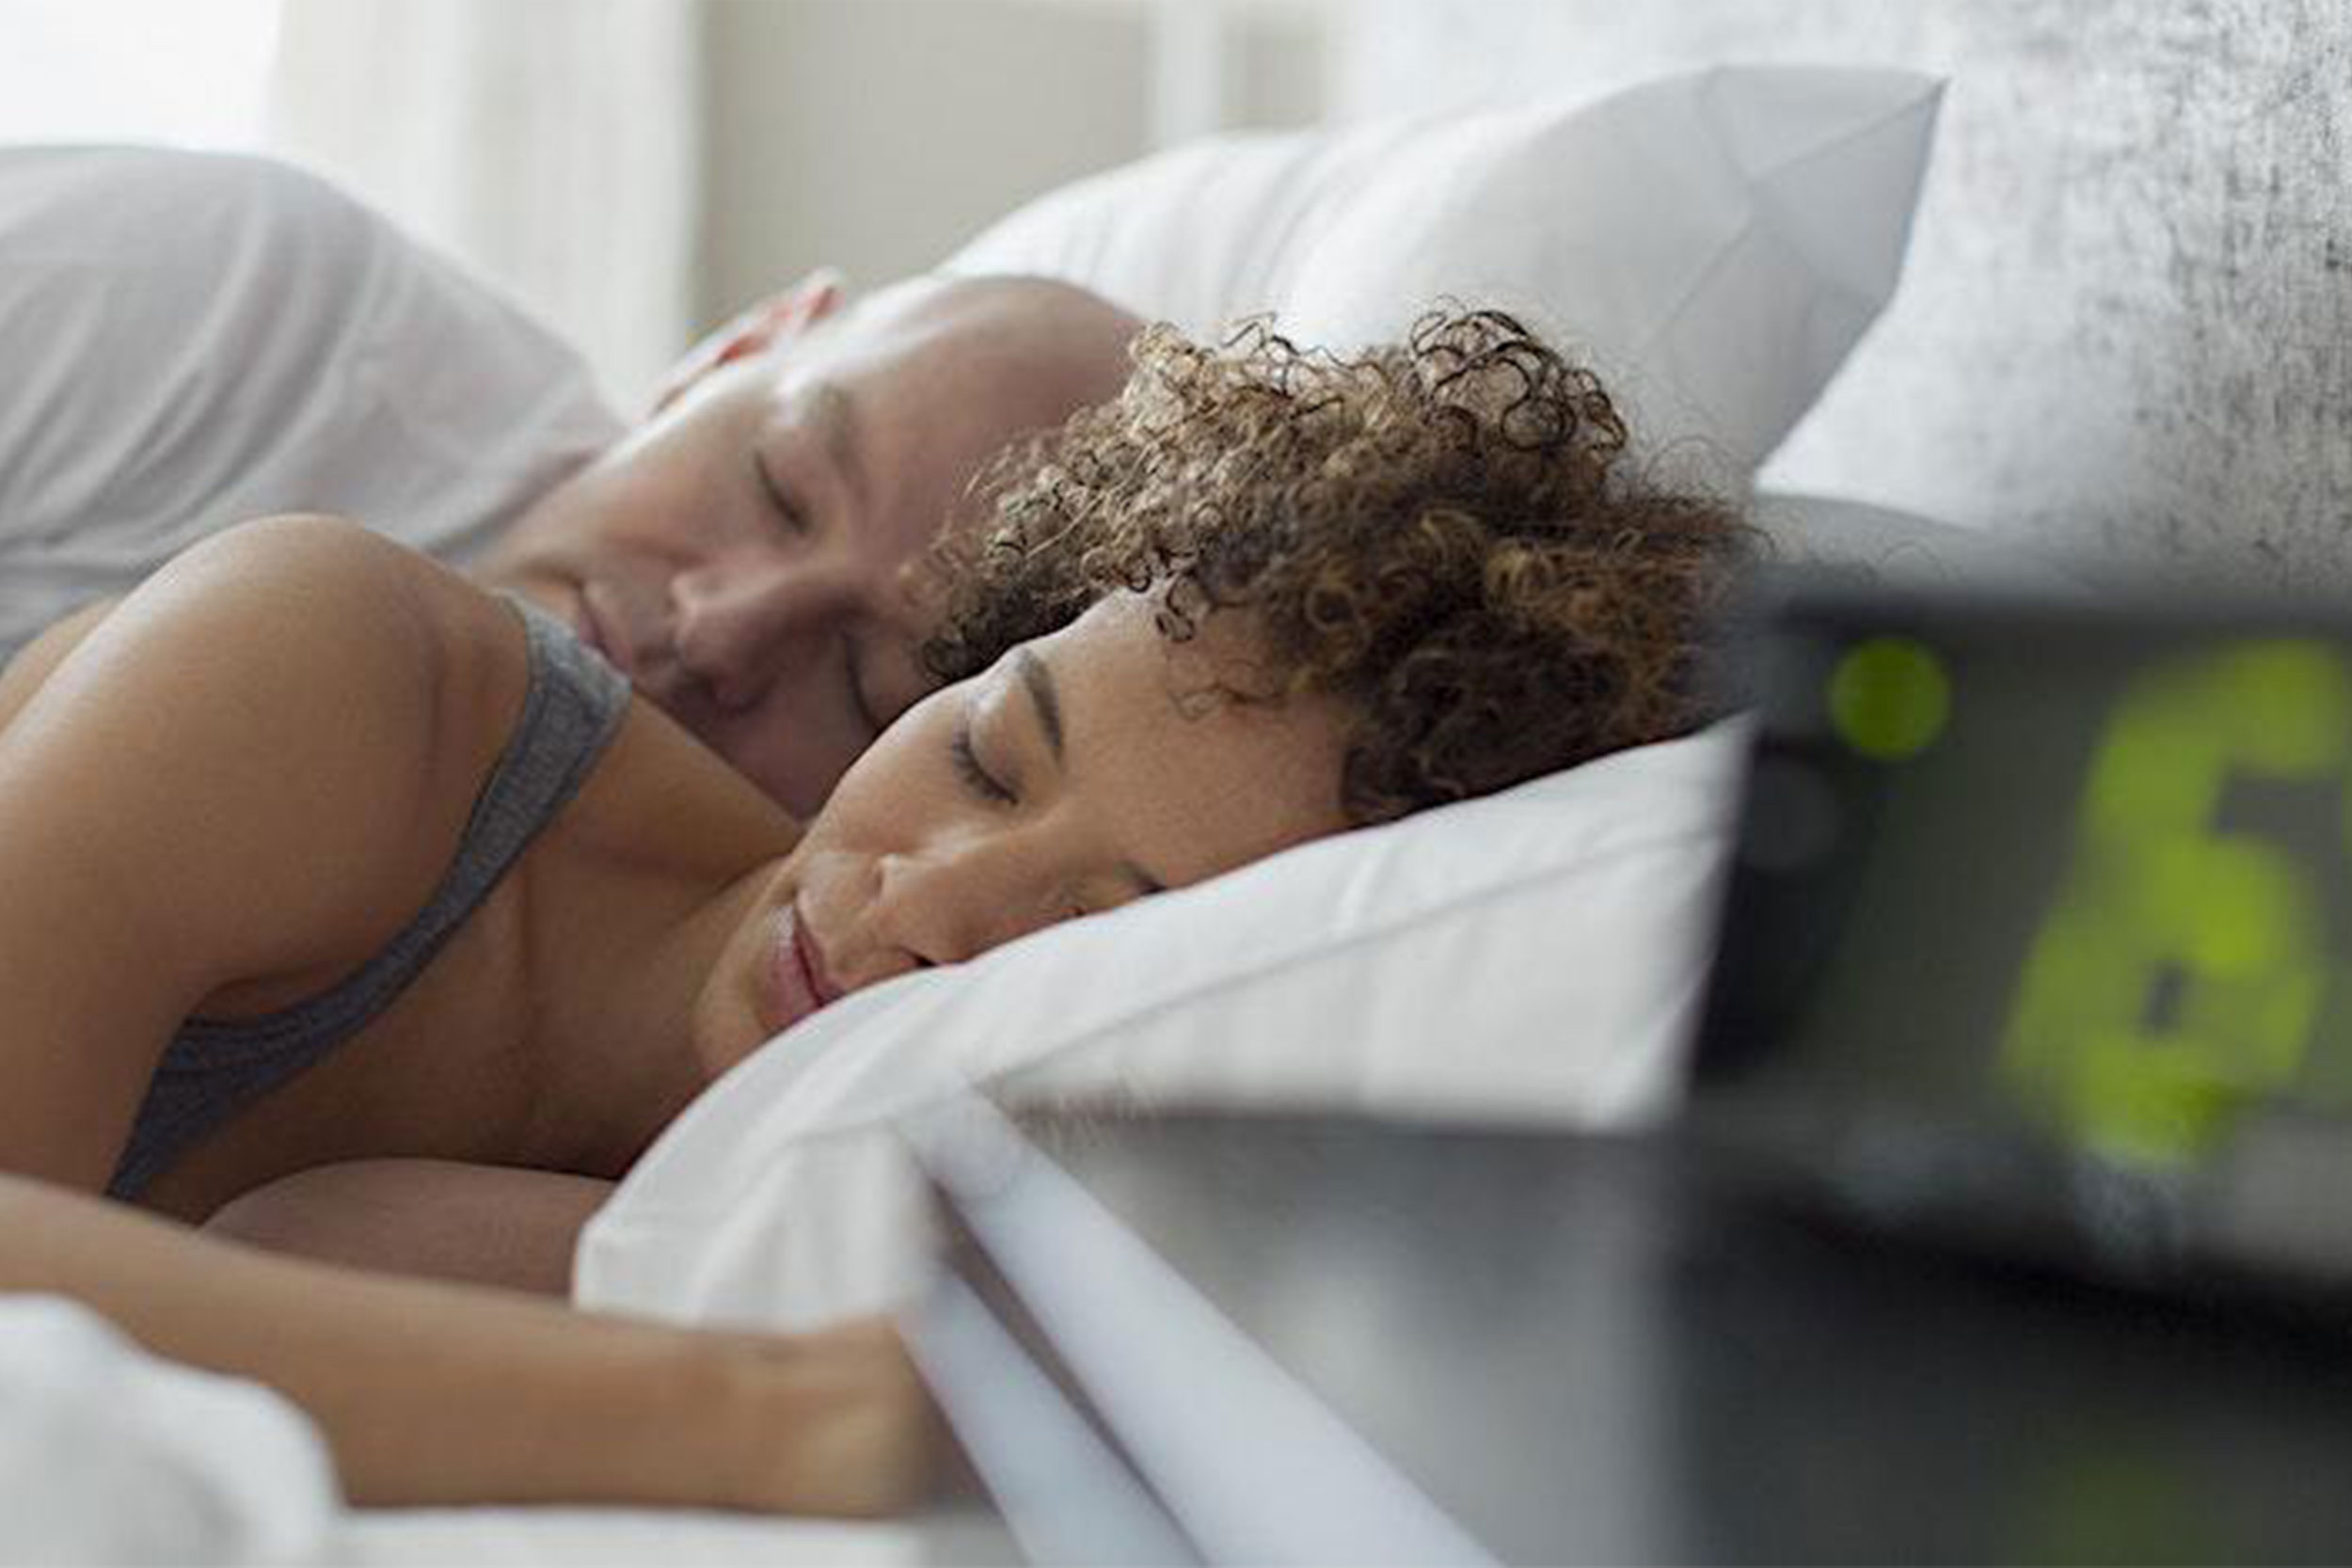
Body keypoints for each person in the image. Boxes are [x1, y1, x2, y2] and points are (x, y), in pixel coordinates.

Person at [0, 306, 1753, 1511]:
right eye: (986, 755)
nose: (924, 900)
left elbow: (310, 1259)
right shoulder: (333, 674)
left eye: (1089, 941)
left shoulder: (738, 1225)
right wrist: (786, 1417)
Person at [0, 146, 1140, 817]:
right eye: (779, 487)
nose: (719, 628)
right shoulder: (233, 304)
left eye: (861, 684)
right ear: (734, 351)